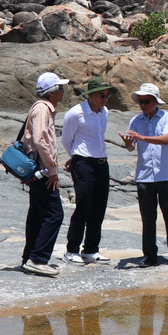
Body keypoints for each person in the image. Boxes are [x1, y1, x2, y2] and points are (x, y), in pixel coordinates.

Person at [119, 83, 168, 268]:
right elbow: (131, 148)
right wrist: (128, 143)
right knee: (148, 217)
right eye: (140, 101)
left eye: (146, 101)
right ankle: (150, 256)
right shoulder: (136, 121)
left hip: (166, 175)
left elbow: (166, 139)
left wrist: (141, 137)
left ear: (156, 102)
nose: (143, 105)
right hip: (145, 176)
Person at [20, 71, 68, 277]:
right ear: (53, 92)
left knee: (38, 214)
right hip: (42, 171)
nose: (64, 91)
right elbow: (40, 140)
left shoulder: (43, 108)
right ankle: (38, 258)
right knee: (55, 214)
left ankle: (28, 257)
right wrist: (52, 169)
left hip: (40, 170)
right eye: (61, 88)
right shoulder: (42, 109)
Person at [61, 76, 113, 266]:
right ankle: (71, 250)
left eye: (107, 96)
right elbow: (67, 139)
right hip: (83, 162)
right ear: (90, 95)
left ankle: (91, 249)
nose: (105, 99)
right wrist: (75, 158)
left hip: (101, 162)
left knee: (99, 207)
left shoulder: (104, 112)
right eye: (101, 95)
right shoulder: (76, 113)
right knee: (83, 205)